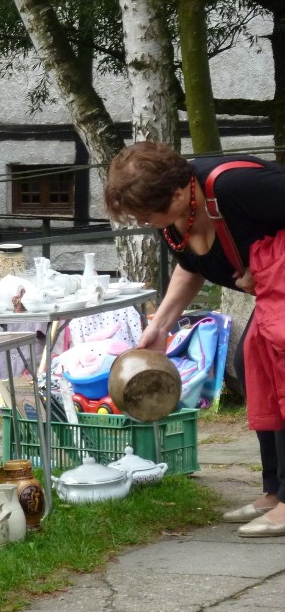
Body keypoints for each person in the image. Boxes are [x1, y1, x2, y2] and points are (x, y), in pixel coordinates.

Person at [104, 140, 285, 538]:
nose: (150, 221)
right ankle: (276, 491)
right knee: (251, 365)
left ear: (180, 189)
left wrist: (270, 266)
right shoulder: (177, 215)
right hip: (276, 288)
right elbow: (193, 264)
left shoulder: (236, 186)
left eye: (153, 212)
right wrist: (161, 325)